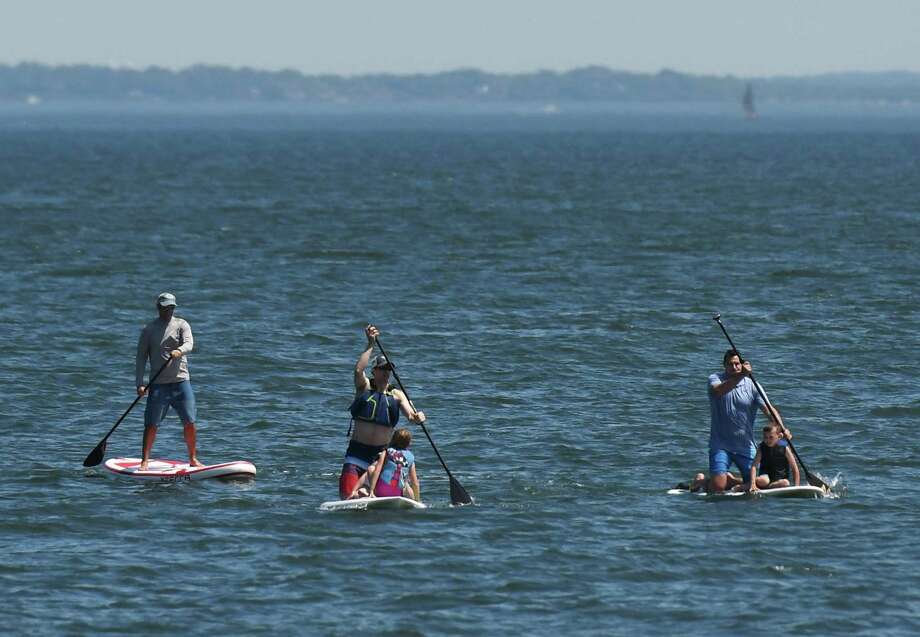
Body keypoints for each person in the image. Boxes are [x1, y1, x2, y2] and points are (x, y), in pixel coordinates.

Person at [338, 324, 425, 500]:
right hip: (356, 453)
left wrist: (418, 417)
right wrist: (370, 344)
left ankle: (378, 492)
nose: (386, 373)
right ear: (374, 371)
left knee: (369, 495)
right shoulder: (364, 387)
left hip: (381, 458)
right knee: (347, 496)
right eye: (382, 369)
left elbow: (411, 416)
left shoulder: (397, 394)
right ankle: (362, 492)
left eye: (389, 370)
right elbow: (358, 370)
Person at [707, 349, 790, 492]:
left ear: (742, 364)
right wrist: (742, 375)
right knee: (718, 488)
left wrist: (782, 428)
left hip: (745, 446)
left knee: (759, 483)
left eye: (737, 364)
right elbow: (718, 391)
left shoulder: (752, 385)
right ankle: (703, 482)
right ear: (724, 365)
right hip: (720, 444)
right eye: (730, 364)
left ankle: (732, 481)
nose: (734, 367)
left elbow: (769, 410)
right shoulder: (715, 379)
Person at [136, 292, 202, 471]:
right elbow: (141, 358)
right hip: (158, 385)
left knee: (190, 422)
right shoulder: (149, 330)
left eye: (172, 307)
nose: (169, 311)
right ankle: (144, 461)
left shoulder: (182, 325)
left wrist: (179, 351)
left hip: (181, 382)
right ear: (158, 308)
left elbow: (189, 344)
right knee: (151, 424)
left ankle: (193, 458)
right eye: (165, 308)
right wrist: (140, 384)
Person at [349, 427, 421, 501]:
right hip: (398, 493)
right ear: (408, 442)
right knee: (406, 483)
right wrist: (417, 499)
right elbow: (415, 482)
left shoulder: (386, 452)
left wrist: (372, 490)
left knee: (371, 468)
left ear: (393, 439)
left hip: (382, 491)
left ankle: (370, 493)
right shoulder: (411, 457)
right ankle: (416, 500)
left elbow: (377, 470)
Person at [749, 423, 800, 492]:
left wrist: (796, 487)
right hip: (765, 477)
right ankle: (750, 485)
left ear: (779, 436)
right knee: (763, 481)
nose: (768, 440)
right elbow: (754, 466)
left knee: (785, 483)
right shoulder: (761, 448)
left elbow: (794, 468)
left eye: (771, 437)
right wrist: (753, 484)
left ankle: (763, 487)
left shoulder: (785, 448)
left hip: (779, 480)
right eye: (765, 437)